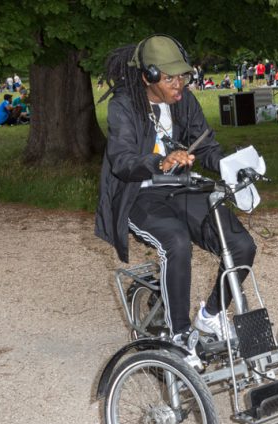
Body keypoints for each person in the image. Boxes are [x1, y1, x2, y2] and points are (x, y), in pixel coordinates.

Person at [94, 35, 256, 357]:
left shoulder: (184, 101)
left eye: (181, 76)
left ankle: (210, 317)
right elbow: (123, 161)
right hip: (138, 195)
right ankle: (179, 334)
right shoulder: (124, 105)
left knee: (241, 245)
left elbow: (205, 145)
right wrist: (160, 161)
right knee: (176, 242)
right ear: (148, 77)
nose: (178, 84)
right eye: (169, 78)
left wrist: (231, 165)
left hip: (180, 189)